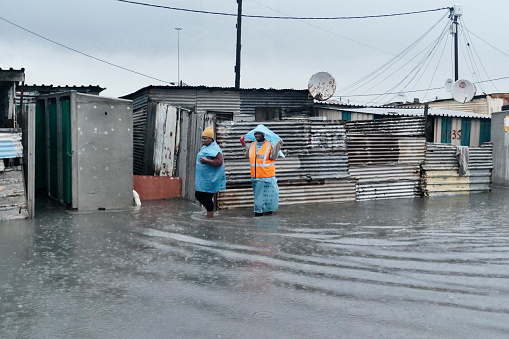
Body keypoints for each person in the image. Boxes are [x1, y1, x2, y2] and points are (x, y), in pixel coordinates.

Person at [240, 125, 283, 217]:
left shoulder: (269, 145)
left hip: (267, 175)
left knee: (269, 196)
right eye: (255, 133)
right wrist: (243, 145)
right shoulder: (252, 145)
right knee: (259, 196)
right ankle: (260, 213)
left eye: (259, 133)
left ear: (263, 135)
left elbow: (273, 157)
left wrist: (278, 145)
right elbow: (247, 156)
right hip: (256, 176)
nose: (256, 135)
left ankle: (263, 213)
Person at [195, 127, 226, 218]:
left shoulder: (215, 149)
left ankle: (210, 218)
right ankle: (211, 213)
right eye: (202, 138)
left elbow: (219, 162)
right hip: (204, 179)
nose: (202, 140)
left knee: (207, 198)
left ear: (211, 139)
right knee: (199, 195)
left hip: (211, 179)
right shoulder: (206, 147)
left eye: (205, 138)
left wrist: (206, 161)